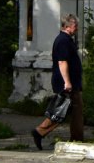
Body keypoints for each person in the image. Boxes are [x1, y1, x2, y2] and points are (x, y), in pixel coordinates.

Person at [32, 13, 83, 148]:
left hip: (70, 82)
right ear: (67, 26)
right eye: (75, 25)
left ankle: (41, 132)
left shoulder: (66, 40)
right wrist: (67, 82)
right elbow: (62, 62)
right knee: (63, 111)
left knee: (65, 111)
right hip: (66, 83)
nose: (77, 28)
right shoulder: (63, 41)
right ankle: (76, 140)